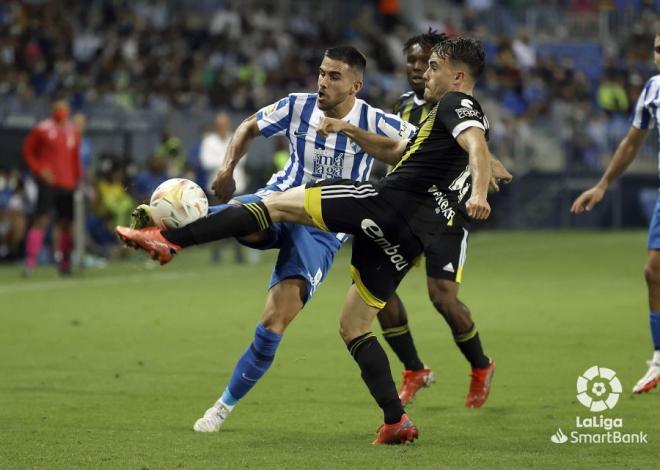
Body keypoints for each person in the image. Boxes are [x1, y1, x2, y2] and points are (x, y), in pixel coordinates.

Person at [117, 37, 494, 444]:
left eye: (434, 66)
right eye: (322, 73)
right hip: (408, 238)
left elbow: (474, 142)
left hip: (380, 207)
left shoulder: (456, 104)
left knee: (276, 209)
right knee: (354, 326)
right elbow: (407, 148)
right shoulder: (435, 120)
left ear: (457, 76)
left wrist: (479, 187)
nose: (425, 73)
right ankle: (395, 421)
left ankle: (170, 239)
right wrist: (491, 170)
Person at [378, 29, 510, 407]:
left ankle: (481, 365)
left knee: (442, 297)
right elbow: (397, 151)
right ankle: (413, 369)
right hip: (405, 211)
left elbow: (474, 146)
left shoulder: (459, 103)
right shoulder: (402, 106)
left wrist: (484, 175)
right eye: (414, 61)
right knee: (378, 290)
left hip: (446, 213)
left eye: (427, 62)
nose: (418, 68)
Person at [571, 33, 660, 395]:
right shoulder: (653, 89)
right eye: (658, 48)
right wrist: (603, 183)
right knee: (653, 271)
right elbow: (631, 141)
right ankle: (658, 358)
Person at [22, 99, 82, 275]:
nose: (61, 111)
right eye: (58, 108)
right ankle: (30, 262)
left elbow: (75, 158)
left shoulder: (73, 131)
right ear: (53, 110)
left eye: (64, 109)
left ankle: (65, 263)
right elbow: (28, 151)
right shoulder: (42, 129)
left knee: (66, 224)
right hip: (49, 182)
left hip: (68, 183)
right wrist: (39, 170)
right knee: (41, 219)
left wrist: (78, 179)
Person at [199, 113, 248, 195]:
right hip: (216, 189)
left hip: (237, 188)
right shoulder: (208, 141)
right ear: (215, 126)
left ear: (228, 124)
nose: (222, 127)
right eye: (220, 125)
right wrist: (229, 159)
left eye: (224, 124)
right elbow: (206, 163)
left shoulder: (237, 139)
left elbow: (242, 159)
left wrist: (218, 160)